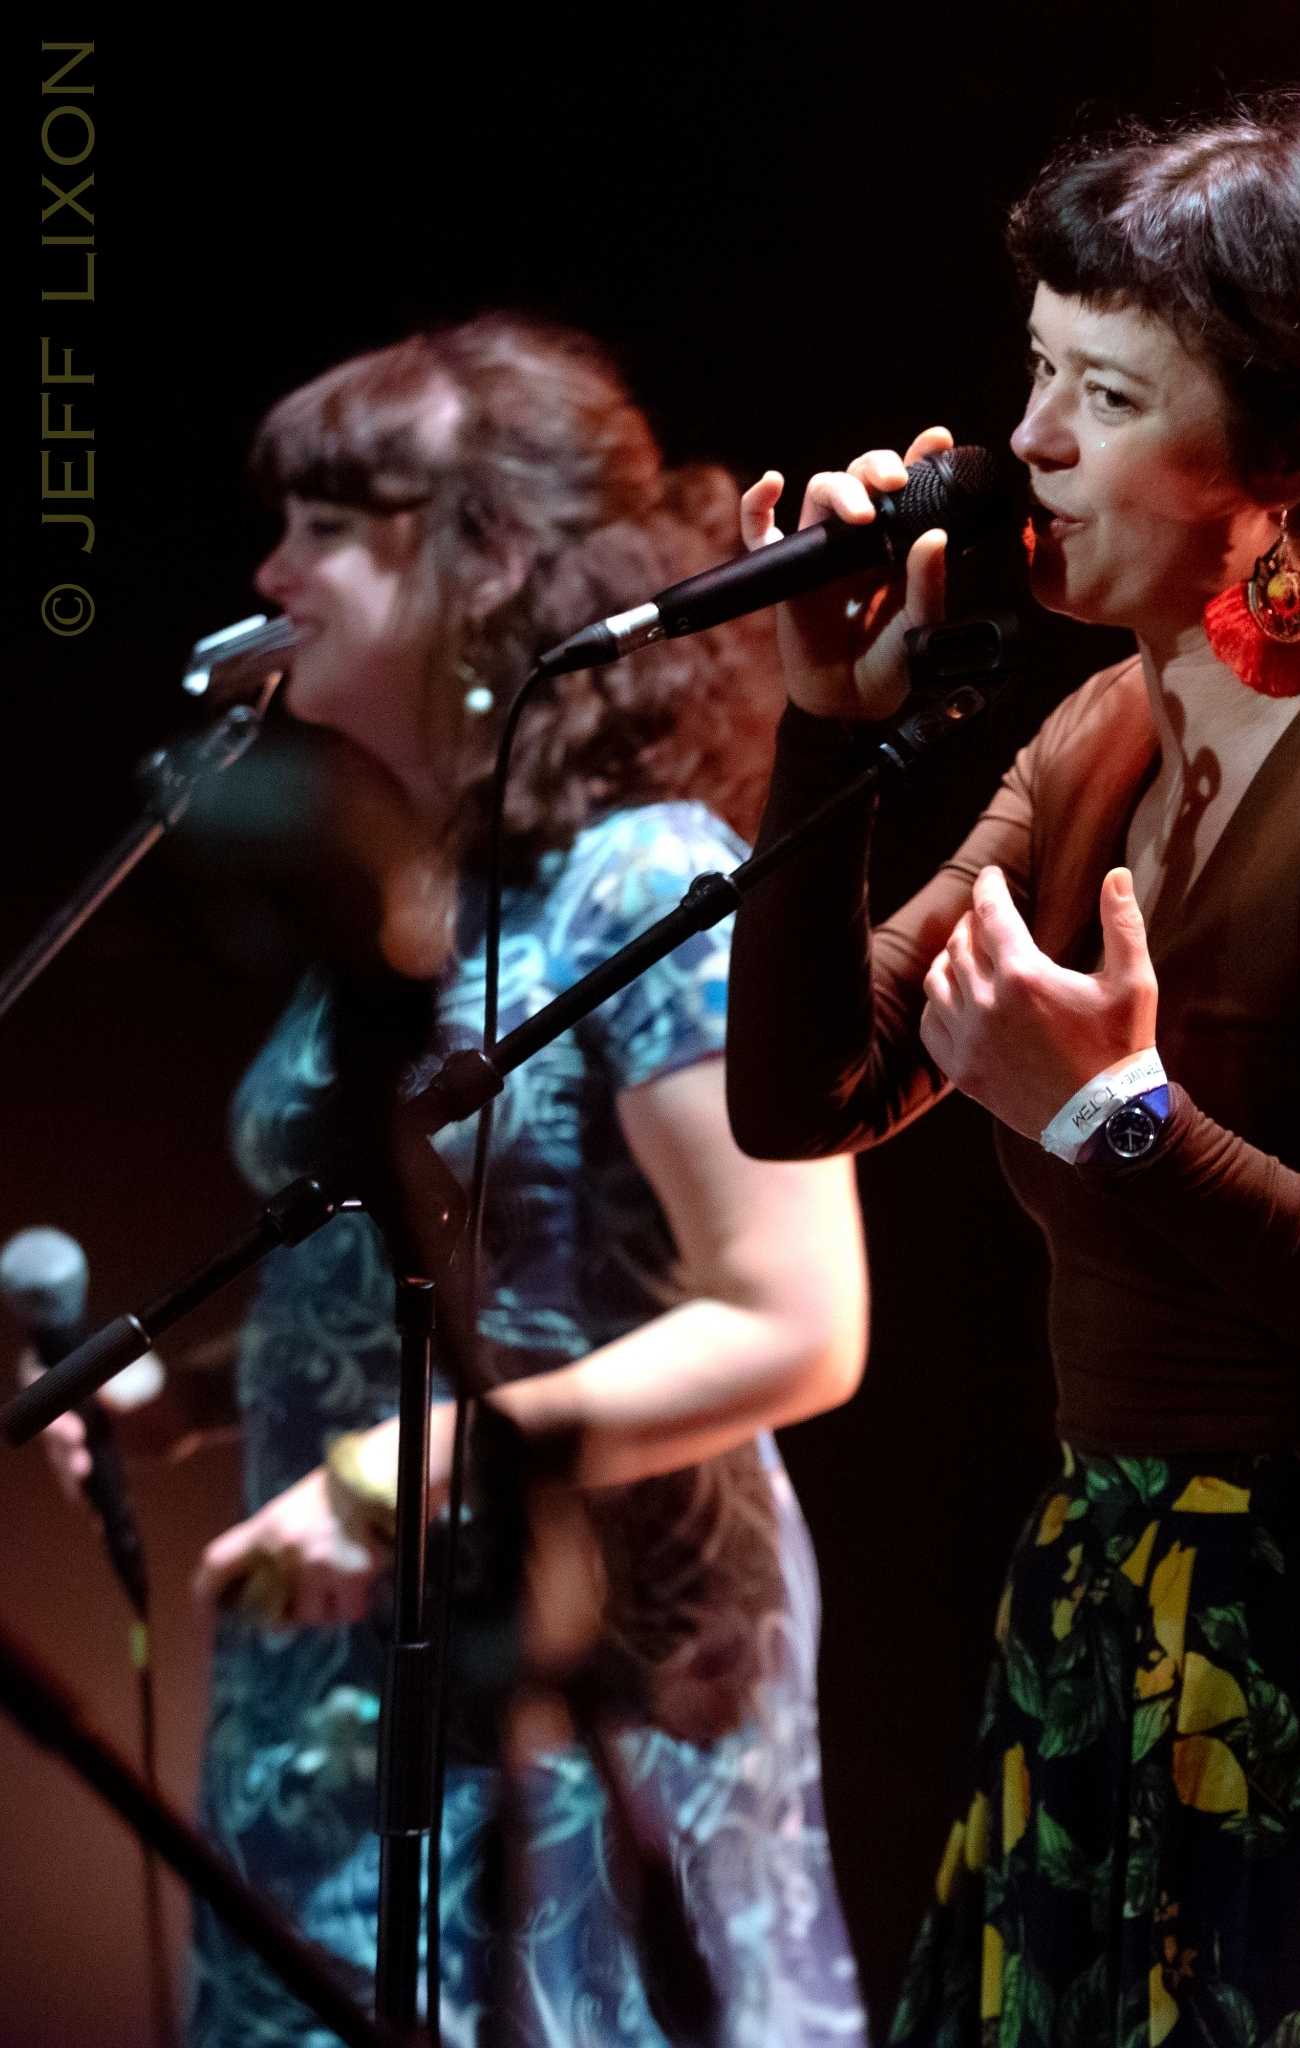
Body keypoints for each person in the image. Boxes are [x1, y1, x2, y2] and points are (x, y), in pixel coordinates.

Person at [728, 94, 1300, 2045]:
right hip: (1122, 1609)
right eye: (1037, 374)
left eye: (1104, 391)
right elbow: (804, 1097)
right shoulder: (1111, 723)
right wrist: (819, 732)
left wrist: (1121, 1123)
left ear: (1283, 463)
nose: (1031, 445)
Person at [167, 315, 870, 2046]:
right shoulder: (420, 899)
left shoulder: (646, 877)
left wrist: (408, 1469)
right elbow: (424, 1283)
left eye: (329, 523)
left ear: (484, 552)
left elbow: (797, 1316)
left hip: (580, 1687)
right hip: (343, 1682)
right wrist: (164, 1390)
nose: (271, 568)